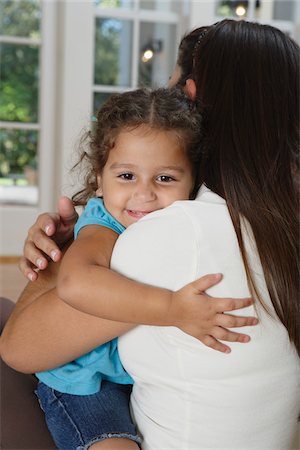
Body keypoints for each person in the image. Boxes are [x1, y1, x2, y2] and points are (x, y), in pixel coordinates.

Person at [1, 18, 300, 448]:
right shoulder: (276, 223)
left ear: (190, 100)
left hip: (111, 404)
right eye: (126, 174)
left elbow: (20, 349)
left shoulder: (176, 235)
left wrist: (54, 259)